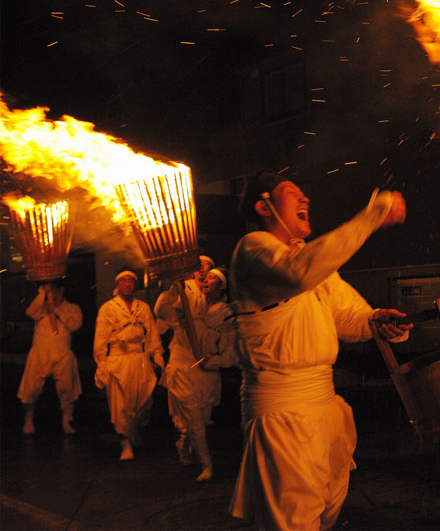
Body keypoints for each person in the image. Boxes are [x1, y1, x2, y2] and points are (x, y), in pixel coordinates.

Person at [228, 172, 411, 531]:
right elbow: (298, 274)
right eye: (291, 193)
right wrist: (369, 217)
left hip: (325, 409)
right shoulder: (252, 249)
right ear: (264, 206)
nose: (304, 199)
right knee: (295, 522)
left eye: (303, 193)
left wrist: (377, 320)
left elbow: (348, 317)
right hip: (283, 414)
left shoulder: (309, 260)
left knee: (326, 511)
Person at [154, 256, 222, 481]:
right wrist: (173, 291)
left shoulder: (214, 302)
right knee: (192, 417)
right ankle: (207, 464)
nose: (204, 270)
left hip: (206, 366)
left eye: (209, 268)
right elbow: (161, 311)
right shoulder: (184, 290)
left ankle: (185, 442)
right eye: (201, 266)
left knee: (201, 418)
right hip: (183, 363)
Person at [94, 267, 164, 461]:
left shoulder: (143, 307)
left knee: (144, 402)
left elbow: (152, 334)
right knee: (121, 405)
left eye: (131, 281)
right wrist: (102, 364)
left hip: (140, 359)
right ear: (117, 284)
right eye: (123, 281)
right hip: (118, 360)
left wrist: (157, 357)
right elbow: (100, 339)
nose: (127, 284)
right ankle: (125, 443)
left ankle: (133, 430)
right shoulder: (108, 308)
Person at [18, 279, 83, 435]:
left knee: (67, 388)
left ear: (61, 290)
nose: (52, 293)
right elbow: (30, 312)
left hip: (62, 353)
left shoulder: (73, 308)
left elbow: (75, 325)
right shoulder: (42, 307)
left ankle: (67, 421)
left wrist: (57, 311)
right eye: (50, 290)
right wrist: (43, 294)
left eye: (54, 290)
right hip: (40, 352)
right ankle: (28, 419)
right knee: (31, 388)